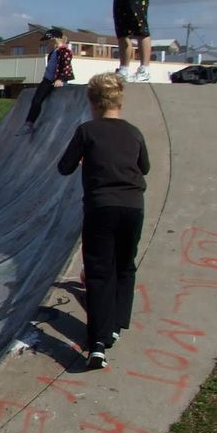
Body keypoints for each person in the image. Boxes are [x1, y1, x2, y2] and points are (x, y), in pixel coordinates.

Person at [57, 72, 150, 371]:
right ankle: (115, 326)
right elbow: (144, 167)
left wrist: (86, 157)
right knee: (125, 265)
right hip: (133, 206)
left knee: (99, 272)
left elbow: (64, 167)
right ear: (119, 100)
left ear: (92, 102)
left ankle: (97, 345)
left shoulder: (87, 131)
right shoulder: (134, 132)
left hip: (101, 207)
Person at [22, 28, 74, 134]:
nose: (46, 44)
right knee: (36, 100)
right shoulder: (53, 53)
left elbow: (66, 67)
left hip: (57, 80)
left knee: (50, 103)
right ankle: (29, 123)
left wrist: (60, 79)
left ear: (55, 40)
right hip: (47, 80)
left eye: (48, 41)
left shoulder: (65, 51)